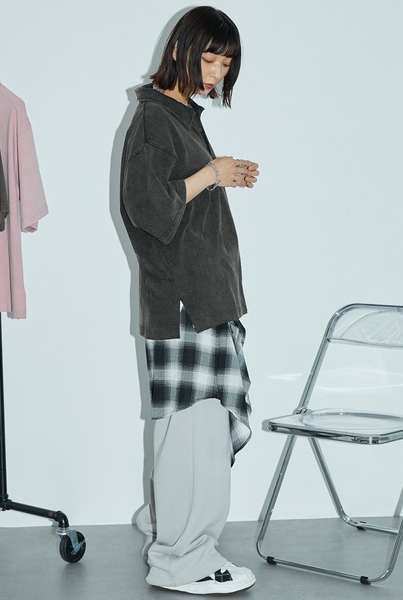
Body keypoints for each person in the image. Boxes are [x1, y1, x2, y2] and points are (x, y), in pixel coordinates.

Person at [120, 6, 259, 595]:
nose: (216, 74)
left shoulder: (178, 114)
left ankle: (167, 528)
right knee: (190, 439)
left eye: (226, 64)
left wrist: (217, 176)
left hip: (204, 300)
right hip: (183, 303)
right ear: (180, 48)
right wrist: (211, 174)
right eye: (209, 59)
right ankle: (181, 559)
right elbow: (148, 209)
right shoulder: (154, 116)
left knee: (197, 434)